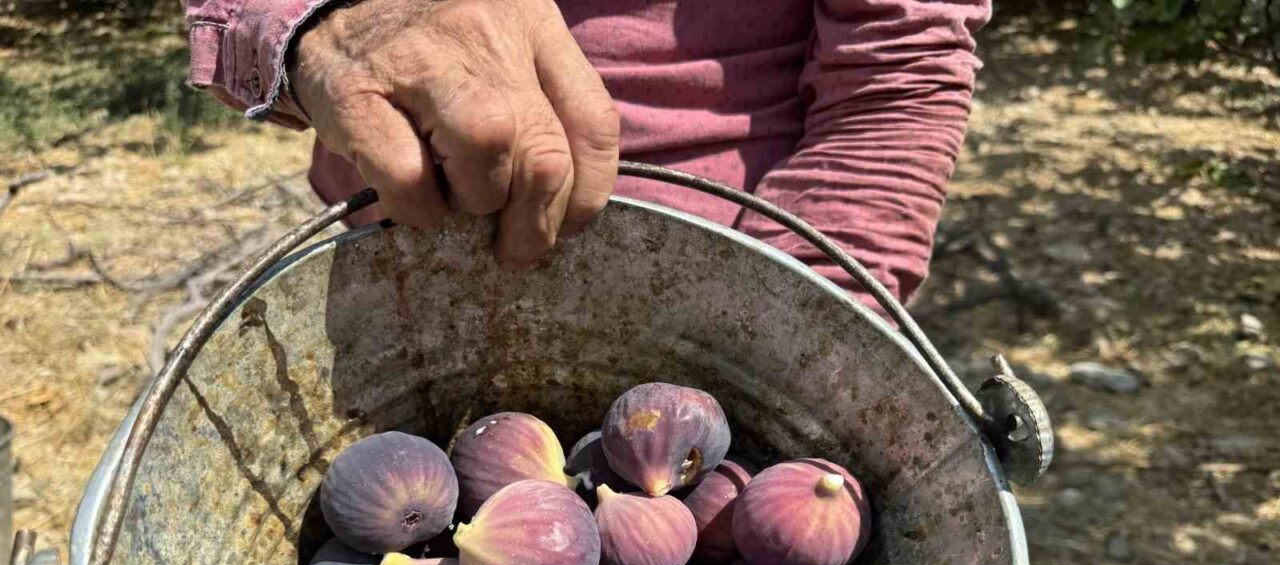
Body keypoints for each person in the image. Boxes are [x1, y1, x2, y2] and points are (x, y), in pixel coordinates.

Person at [186, 0, 989, 306]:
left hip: (735, 279)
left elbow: (895, 75)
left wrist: (796, 333)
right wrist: (338, 19)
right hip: (403, 263)